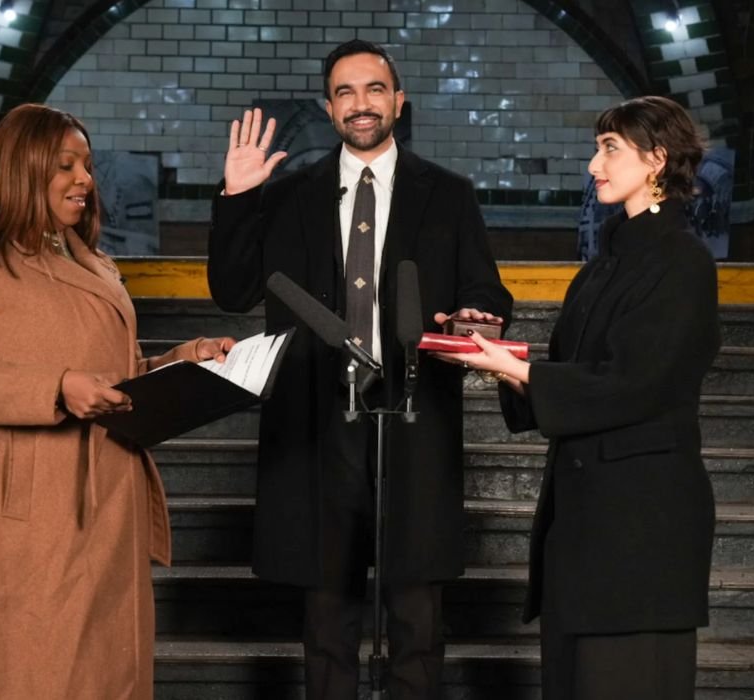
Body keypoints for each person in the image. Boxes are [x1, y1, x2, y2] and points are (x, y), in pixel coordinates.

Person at [207, 39, 514, 700]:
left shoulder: (450, 195)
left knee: (416, 617)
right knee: (327, 620)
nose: (361, 103)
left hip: (413, 416)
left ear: (398, 101)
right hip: (316, 423)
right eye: (345, 92)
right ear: (329, 107)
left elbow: (488, 292)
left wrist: (477, 316)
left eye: (374, 88)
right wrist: (238, 196)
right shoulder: (287, 195)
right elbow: (233, 291)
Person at [0, 103, 234, 699]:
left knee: (97, 673)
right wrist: (55, 387)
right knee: (17, 672)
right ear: (22, 167)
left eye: (85, 164)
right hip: (12, 507)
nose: (85, 178)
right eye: (65, 165)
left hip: (102, 496)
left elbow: (114, 376)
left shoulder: (94, 262)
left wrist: (184, 361)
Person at [441, 95, 720, 699]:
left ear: (657, 159)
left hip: (643, 536)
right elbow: (566, 372)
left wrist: (522, 375)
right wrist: (487, 347)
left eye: (610, 148)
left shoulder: (685, 263)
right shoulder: (599, 269)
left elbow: (637, 383)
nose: (594, 164)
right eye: (598, 148)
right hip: (582, 536)